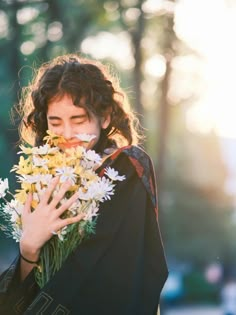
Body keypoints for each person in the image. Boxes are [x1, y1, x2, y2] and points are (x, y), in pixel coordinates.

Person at [0, 54, 168, 315]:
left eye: (78, 121)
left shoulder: (125, 167)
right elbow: (24, 282)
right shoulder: (43, 177)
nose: (67, 134)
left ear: (105, 118)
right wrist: (29, 248)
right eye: (55, 122)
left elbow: (110, 271)